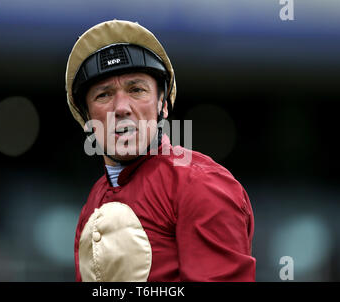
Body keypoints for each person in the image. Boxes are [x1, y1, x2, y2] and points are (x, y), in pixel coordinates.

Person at [65, 20, 256, 282]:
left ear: (163, 106)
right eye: (103, 95)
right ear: (87, 118)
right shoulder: (92, 204)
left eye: (136, 90)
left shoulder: (202, 185)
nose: (121, 107)